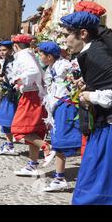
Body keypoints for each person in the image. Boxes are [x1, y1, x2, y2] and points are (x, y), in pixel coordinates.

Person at [59, 11, 112, 205]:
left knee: (97, 184)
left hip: (110, 129)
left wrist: (89, 95)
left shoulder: (96, 54)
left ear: (82, 34)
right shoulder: (92, 51)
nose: (65, 40)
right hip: (104, 127)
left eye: (67, 34)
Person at [37, 41, 82, 192]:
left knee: (63, 142)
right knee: (59, 142)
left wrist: (74, 80)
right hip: (56, 106)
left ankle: (62, 178)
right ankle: (60, 178)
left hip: (66, 106)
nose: (39, 56)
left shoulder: (64, 65)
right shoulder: (50, 67)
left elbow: (76, 71)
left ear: (49, 56)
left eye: (41, 54)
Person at [11, 34, 55, 176]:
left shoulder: (22, 55)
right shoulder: (29, 54)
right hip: (37, 96)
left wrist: (19, 81)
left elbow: (33, 72)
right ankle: (32, 165)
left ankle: (46, 147)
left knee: (18, 129)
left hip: (31, 96)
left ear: (16, 46)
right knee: (33, 132)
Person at [0, 41, 19, 156]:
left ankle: (10, 146)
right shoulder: (7, 60)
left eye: (4, 50)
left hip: (13, 95)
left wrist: (3, 80)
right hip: (8, 93)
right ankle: (9, 145)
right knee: (5, 120)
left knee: (7, 120)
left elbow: (14, 79)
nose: (2, 52)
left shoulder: (14, 61)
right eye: (0, 50)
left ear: (10, 50)